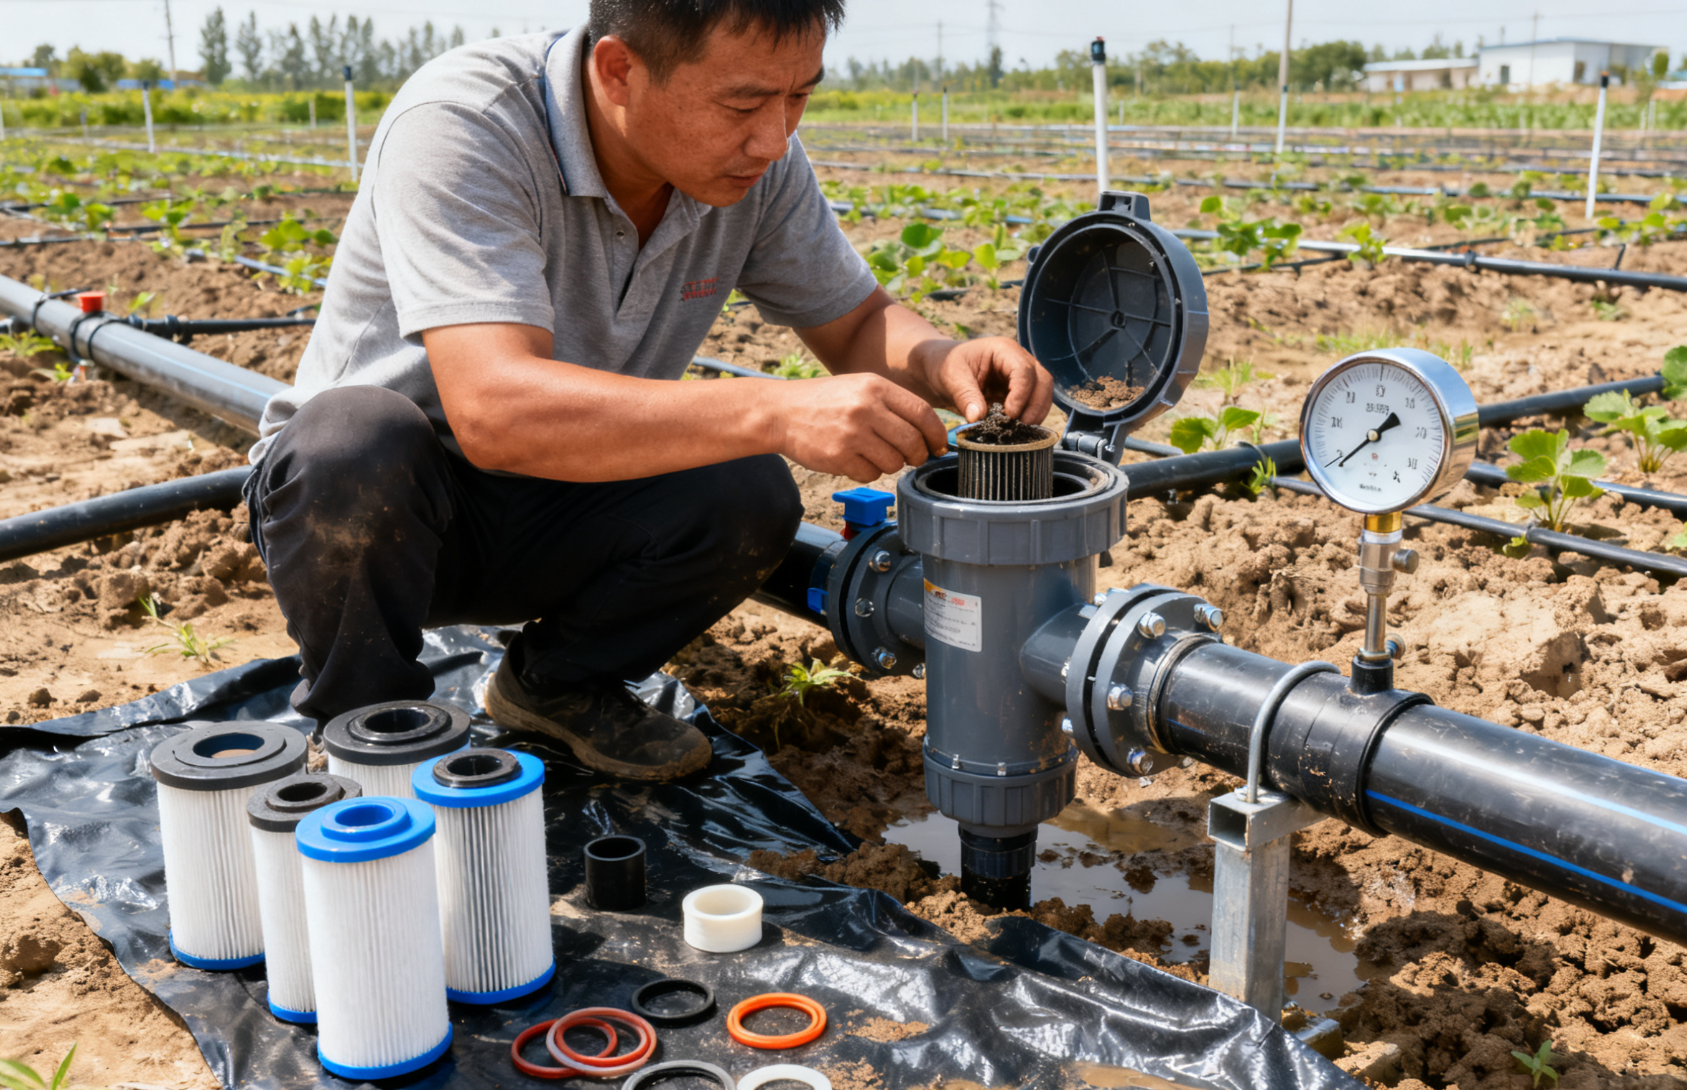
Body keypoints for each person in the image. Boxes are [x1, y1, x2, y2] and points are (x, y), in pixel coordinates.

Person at [244, 0, 1054, 782]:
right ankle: (368, 731)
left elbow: (855, 321)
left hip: (568, 501)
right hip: (389, 519)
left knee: (746, 488)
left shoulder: (756, 166)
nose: (774, 137)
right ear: (619, 69)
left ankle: (557, 683)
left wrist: (941, 357)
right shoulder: (468, 123)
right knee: (352, 443)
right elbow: (493, 413)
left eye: (799, 96)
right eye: (743, 102)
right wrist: (775, 407)